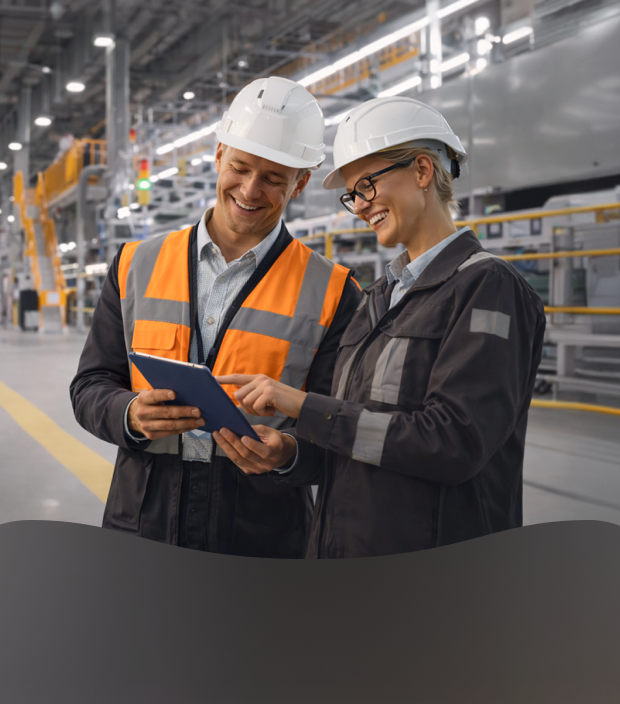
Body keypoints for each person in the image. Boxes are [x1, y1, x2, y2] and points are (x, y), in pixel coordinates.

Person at [211, 97, 546, 559]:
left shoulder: (488, 288)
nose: (362, 206)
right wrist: (288, 453)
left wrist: (305, 406)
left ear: (423, 171)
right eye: (354, 195)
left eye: (367, 185)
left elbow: (454, 443)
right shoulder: (376, 300)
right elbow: (355, 441)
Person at [70, 77, 362, 557]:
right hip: (144, 517)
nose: (250, 190)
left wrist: (290, 455)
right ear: (219, 154)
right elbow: (91, 384)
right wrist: (129, 415)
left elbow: (339, 430)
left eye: (273, 178)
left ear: (301, 182)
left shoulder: (334, 292)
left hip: (259, 531)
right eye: (241, 167)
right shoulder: (135, 263)